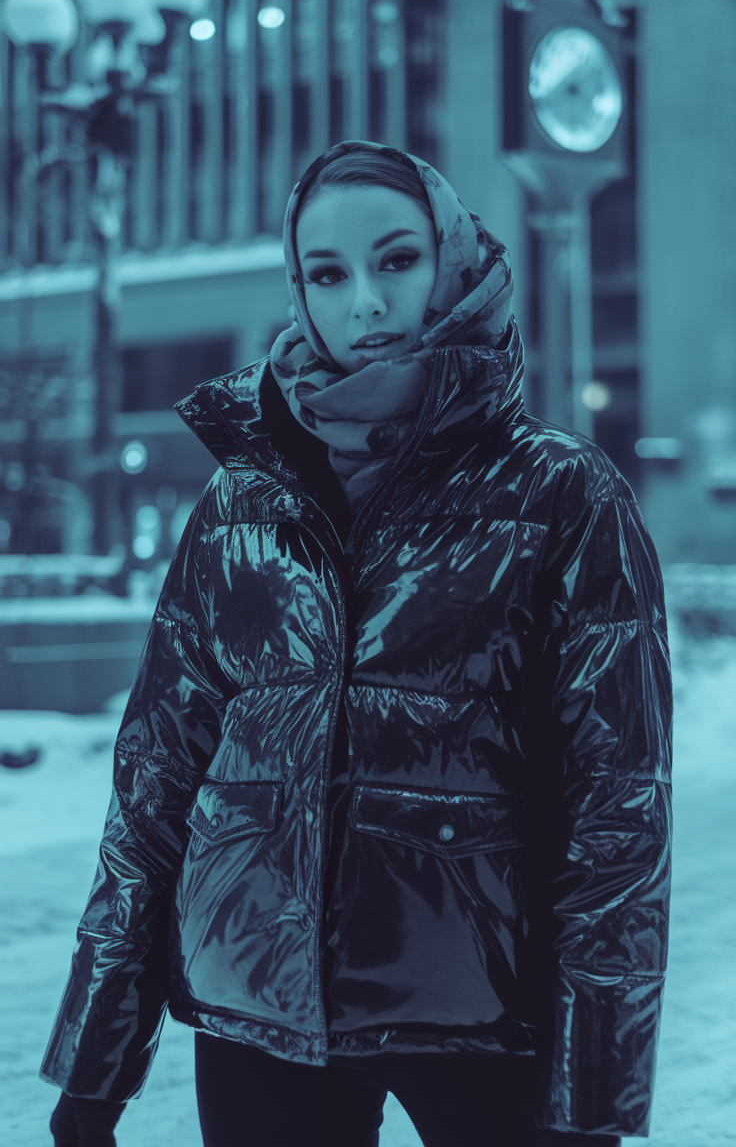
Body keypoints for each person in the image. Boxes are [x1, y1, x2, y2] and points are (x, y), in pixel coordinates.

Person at [43, 141, 672, 1147]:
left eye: (396, 261)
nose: (365, 303)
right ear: (299, 291)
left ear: (454, 263)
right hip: (256, 1005)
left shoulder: (560, 492)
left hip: (480, 1007)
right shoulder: (241, 496)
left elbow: (618, 809)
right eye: (327, 275)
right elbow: (157, 774)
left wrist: (588, 1085)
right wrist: (95, 1065)